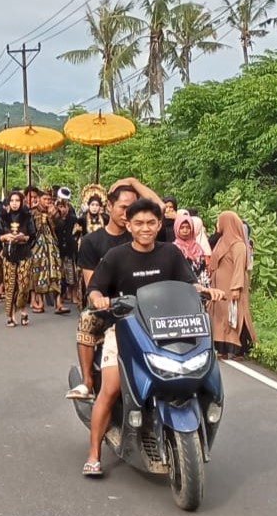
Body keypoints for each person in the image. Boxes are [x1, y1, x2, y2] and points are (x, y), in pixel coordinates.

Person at [83, 198, 224, 477]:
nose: (145, 228)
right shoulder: (116, 257)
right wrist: (99, 300)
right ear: (128, 225)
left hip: (169, 328)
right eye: (138, 223)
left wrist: (207, 291)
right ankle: (94, 454)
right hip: (125, 329)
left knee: (202, 371)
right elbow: (95, 289)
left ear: (160, 225)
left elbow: (188, 283)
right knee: (111, 388)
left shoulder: (170, 254)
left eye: (151, 223)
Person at [66, 178, 162, 400]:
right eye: (124, 207)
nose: (128, 213)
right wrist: (105, 301)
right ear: (109, 206)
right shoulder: (92, 241)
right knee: (88, 318)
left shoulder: (141, 234)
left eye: (133, 208)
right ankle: (88, 381)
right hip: (111, 307)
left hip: (148, 306)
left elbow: (159, 209)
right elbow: (93, 285)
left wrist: (133, 182)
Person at [209, 211, 258, 360]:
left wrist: (236, 288)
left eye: (220, 221)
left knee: (236, 317)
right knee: (221, 317)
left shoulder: (238, 245)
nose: (218, 225)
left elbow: (239, 268)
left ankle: (238, 350)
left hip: (232, 287)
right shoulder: (221, 241)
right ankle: (222, 349)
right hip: (219, 288)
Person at [0, 191, 36, 327]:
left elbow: (32, 236)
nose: (14, 203)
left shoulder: (27, 217)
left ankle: (22, 308)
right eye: (12, 200)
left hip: (24, 253)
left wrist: (22, 237)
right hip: (9, 254)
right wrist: (6, 237)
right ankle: (11, 315)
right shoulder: (3, 217)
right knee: (10, 285)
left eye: (17, 201)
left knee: (23, 285)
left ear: (21, 202)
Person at [29, 189, 62, 315]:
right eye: (45, 199)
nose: (48, 202)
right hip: (38, 246)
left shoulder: (55, 212)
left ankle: (59, 303)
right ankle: (40, 302)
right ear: (39, 199)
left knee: (56, 272)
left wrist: (53, 216)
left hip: (52, 245)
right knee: (39, 272)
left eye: (49, 200)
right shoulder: (32, 212)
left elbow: (60, 228)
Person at [54, 188, 80, 313]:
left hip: (70, 248)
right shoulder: (55, 219)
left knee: (71, 272)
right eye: (60, 206)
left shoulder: (73, 218)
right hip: (58, 248)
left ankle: (74, 294)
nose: (62, 209)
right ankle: (61, 296)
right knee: (60, 274)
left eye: (64, 206)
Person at [171, 212, 210, 286]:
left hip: (201, 287)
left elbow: (203, 270)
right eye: (182, 228)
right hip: (182, 287)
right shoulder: (174, 248)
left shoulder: (198, 248)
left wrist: (206, 288)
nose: (185, 230)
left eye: (188, 227)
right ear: (176, 228)